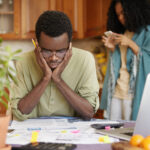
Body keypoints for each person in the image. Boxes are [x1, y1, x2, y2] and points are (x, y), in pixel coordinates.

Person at [10, 10, 99, 121]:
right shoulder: (23, 61)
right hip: (33, 134)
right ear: (37, 45)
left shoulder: (85, 60)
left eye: (61, 51)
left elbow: (88, 112)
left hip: (73, 134)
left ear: (70, 45)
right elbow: (20, 112)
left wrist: (58, 79)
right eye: (47, 51)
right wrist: (46, 78)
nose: (54, 58)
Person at [100, 0, 150, 120]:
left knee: (131, 135)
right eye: (118, 15)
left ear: (134, 11)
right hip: (117, 92)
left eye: (123, 13)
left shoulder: (147, 31)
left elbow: (147, 60)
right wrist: (112, 49)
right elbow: (119, 63)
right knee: (112, 133)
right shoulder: (124, 32)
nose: (121, 18)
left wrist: (130, 44)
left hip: (133, 95)